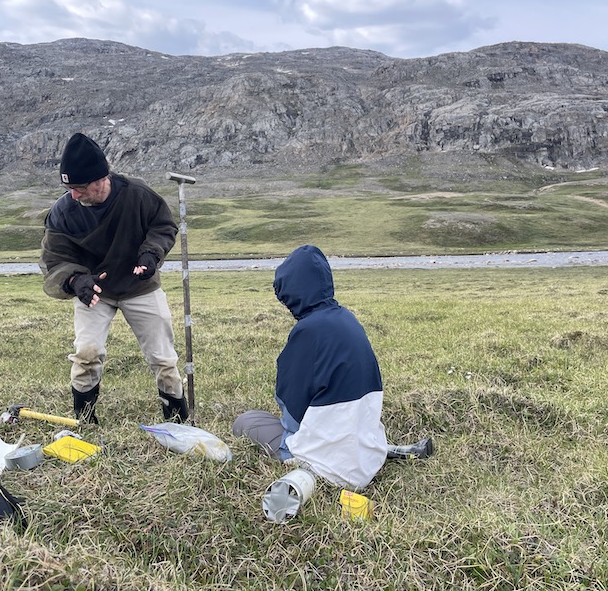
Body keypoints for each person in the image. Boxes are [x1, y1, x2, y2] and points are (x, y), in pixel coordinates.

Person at [232, 244, 433, 490]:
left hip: (326, 469)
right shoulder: (348, 319)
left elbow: (291, 410)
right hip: (367, 459)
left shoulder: (307, 331)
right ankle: (381, 449)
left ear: (291, 292)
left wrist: (295, 438)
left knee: (247, 421)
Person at [39, 132, 188, 424]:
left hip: (140, 286)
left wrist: (151, 255)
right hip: (93, 291)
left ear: (100, 179)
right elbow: (53, 260)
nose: (73, 195)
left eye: (79, 187)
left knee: (164, 358)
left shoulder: (138, 195)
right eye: (69, 188)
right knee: (86, 353)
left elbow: (163, 227)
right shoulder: (63, 212)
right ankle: (86, 419)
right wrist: (74, 280)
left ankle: (178, 420)